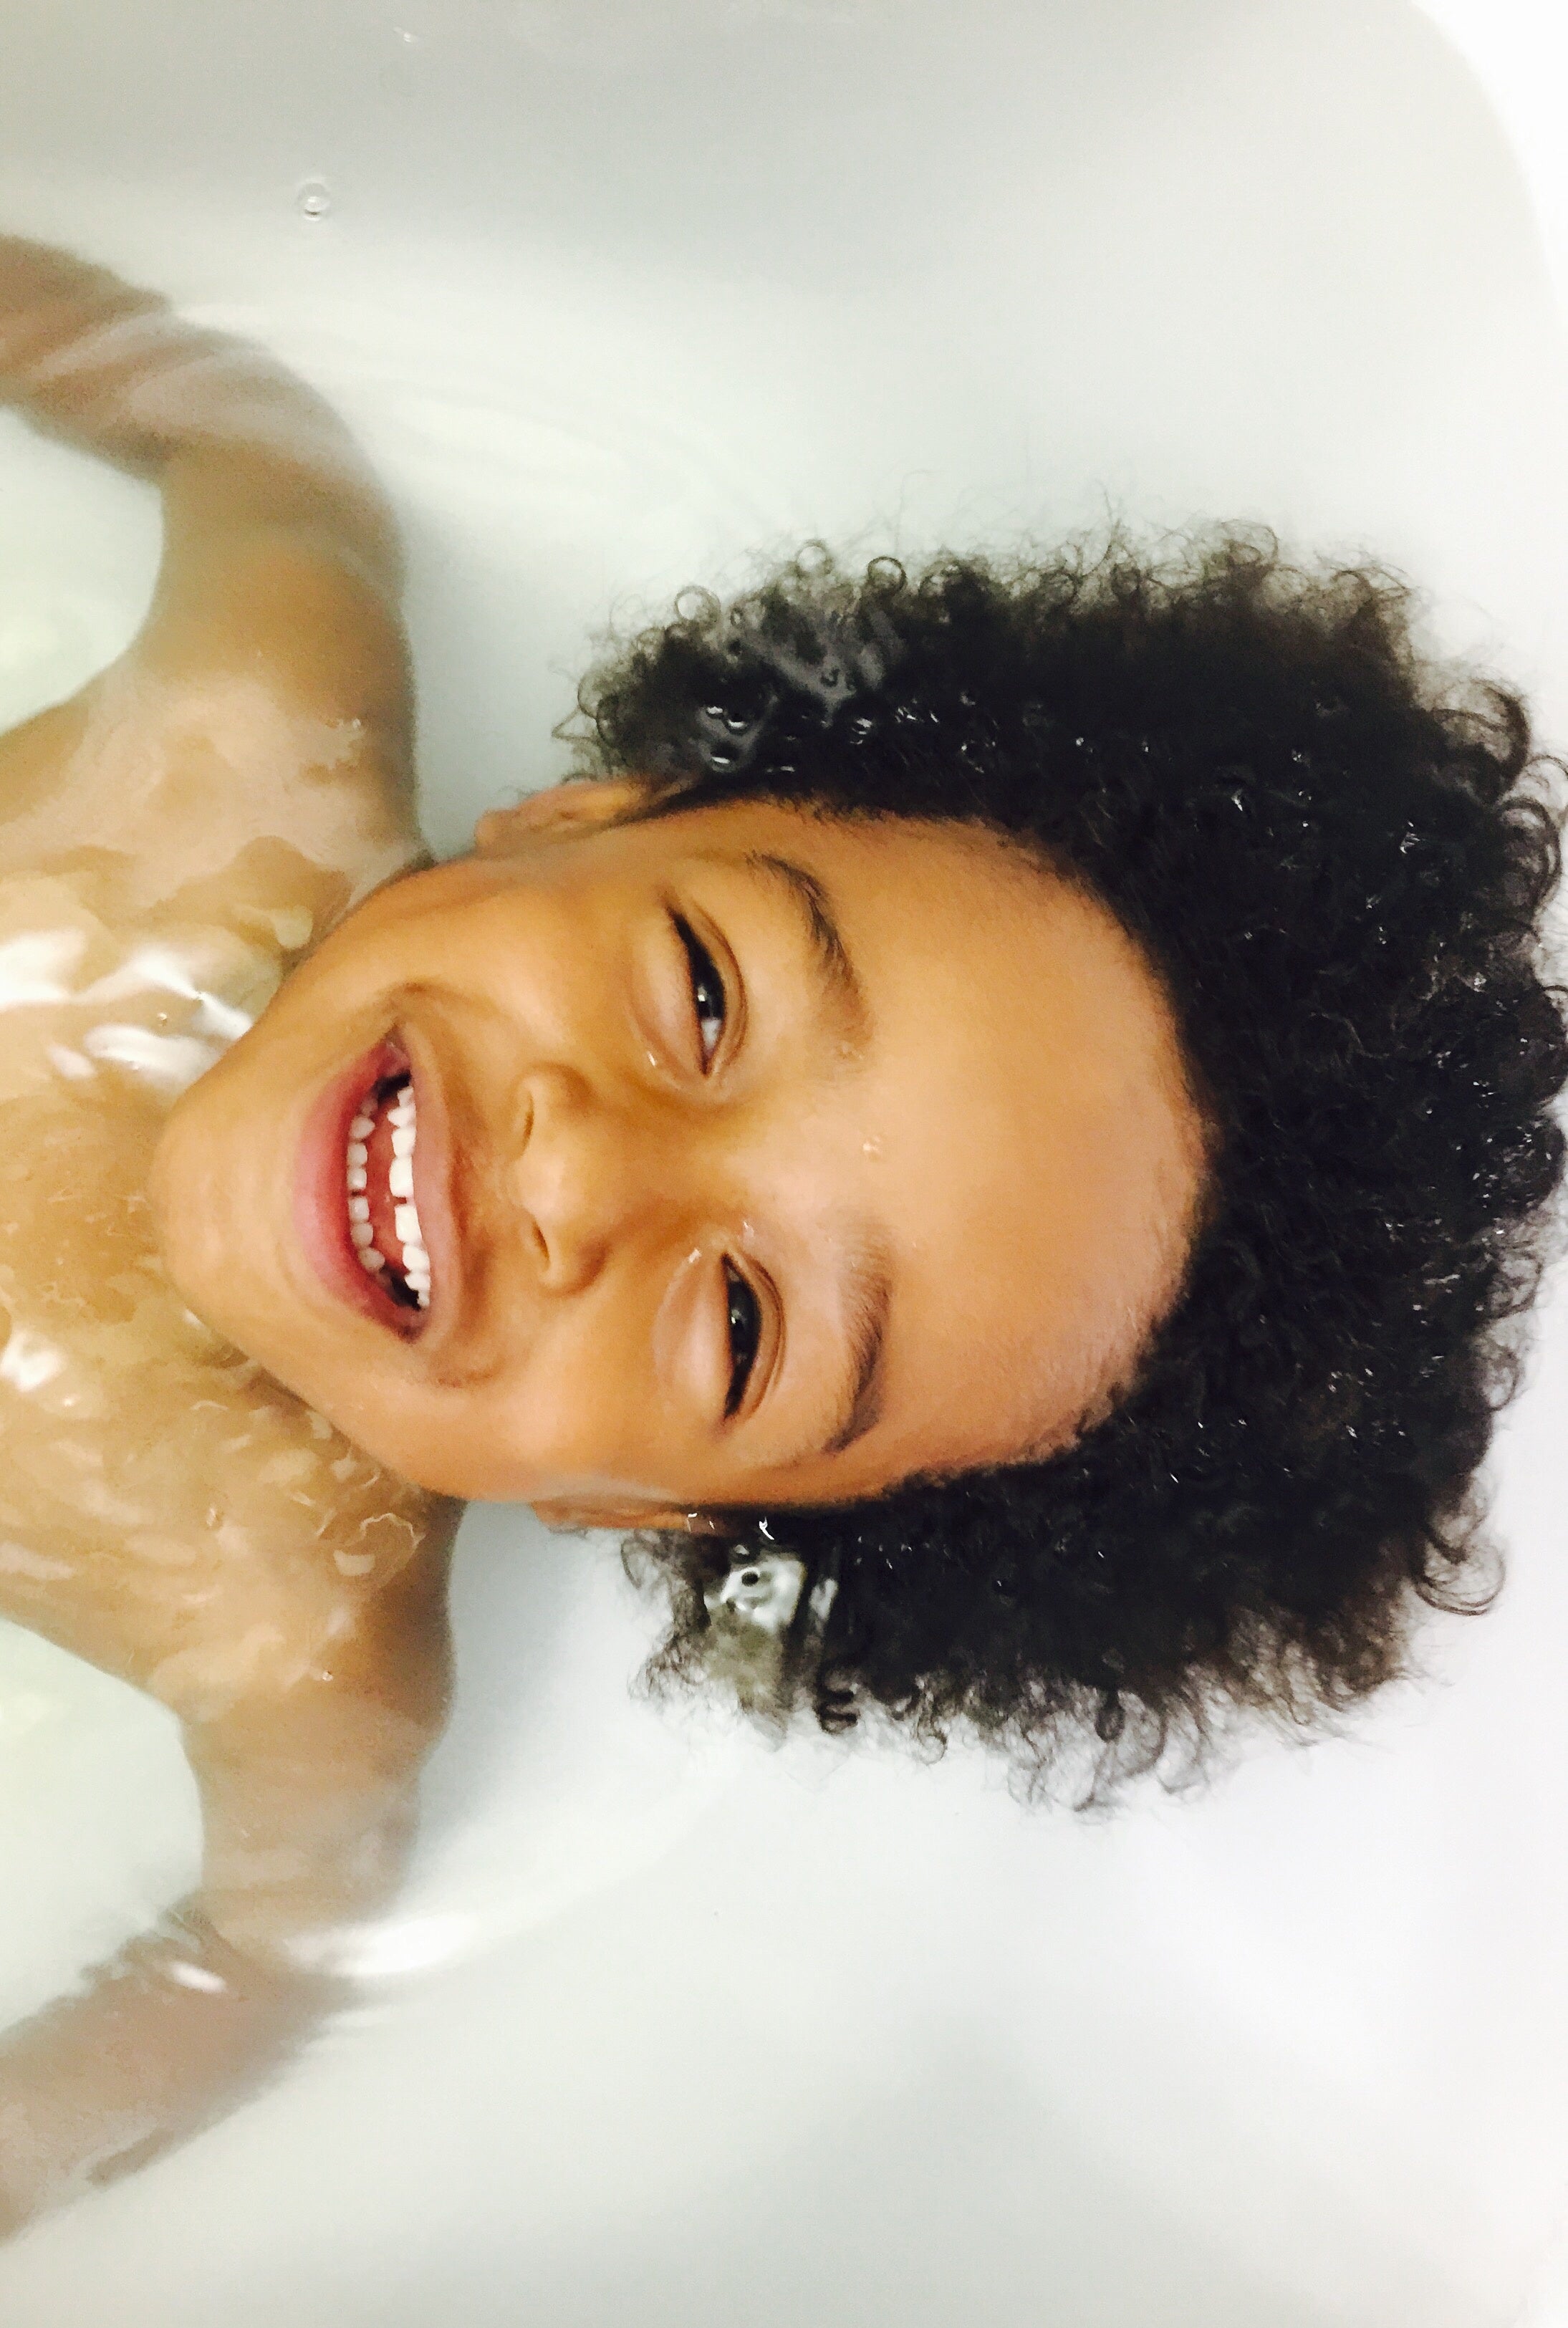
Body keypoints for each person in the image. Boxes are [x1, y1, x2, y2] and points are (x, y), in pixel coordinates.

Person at [0, 233, 1561, 2225]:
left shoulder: (300, 1649)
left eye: (741, 1329)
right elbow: (243, 437)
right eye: (707, 993)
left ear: (632, 1509)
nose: (576, 1182)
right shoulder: (244, 728)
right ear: (582, 815)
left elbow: (221, 1988)